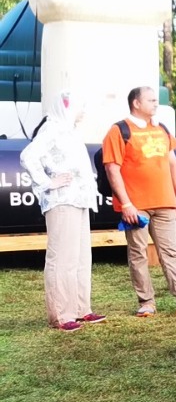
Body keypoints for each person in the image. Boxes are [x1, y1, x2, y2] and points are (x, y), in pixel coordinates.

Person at [102, 86, 176, 318]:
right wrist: (126, 204)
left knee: (170, 252)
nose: (155, 104)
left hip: (165, 202)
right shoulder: (118, 130)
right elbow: (112, 169)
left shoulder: (161, 128)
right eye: (151, 100)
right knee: (138, 252)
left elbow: (173, 164)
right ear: (136, 104)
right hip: (136, 205)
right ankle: (146, 302)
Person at [21, 90, 100, 330]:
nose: (83, 111)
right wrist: (47, 183)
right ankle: (61, 314)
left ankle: (79, 308)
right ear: (66, 106)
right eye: (80, 106)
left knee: (80, 257)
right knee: (62, 257)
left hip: (78, 199)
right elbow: (28, 156)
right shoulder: (52, 129)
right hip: (61, 200)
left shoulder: (69, 131)